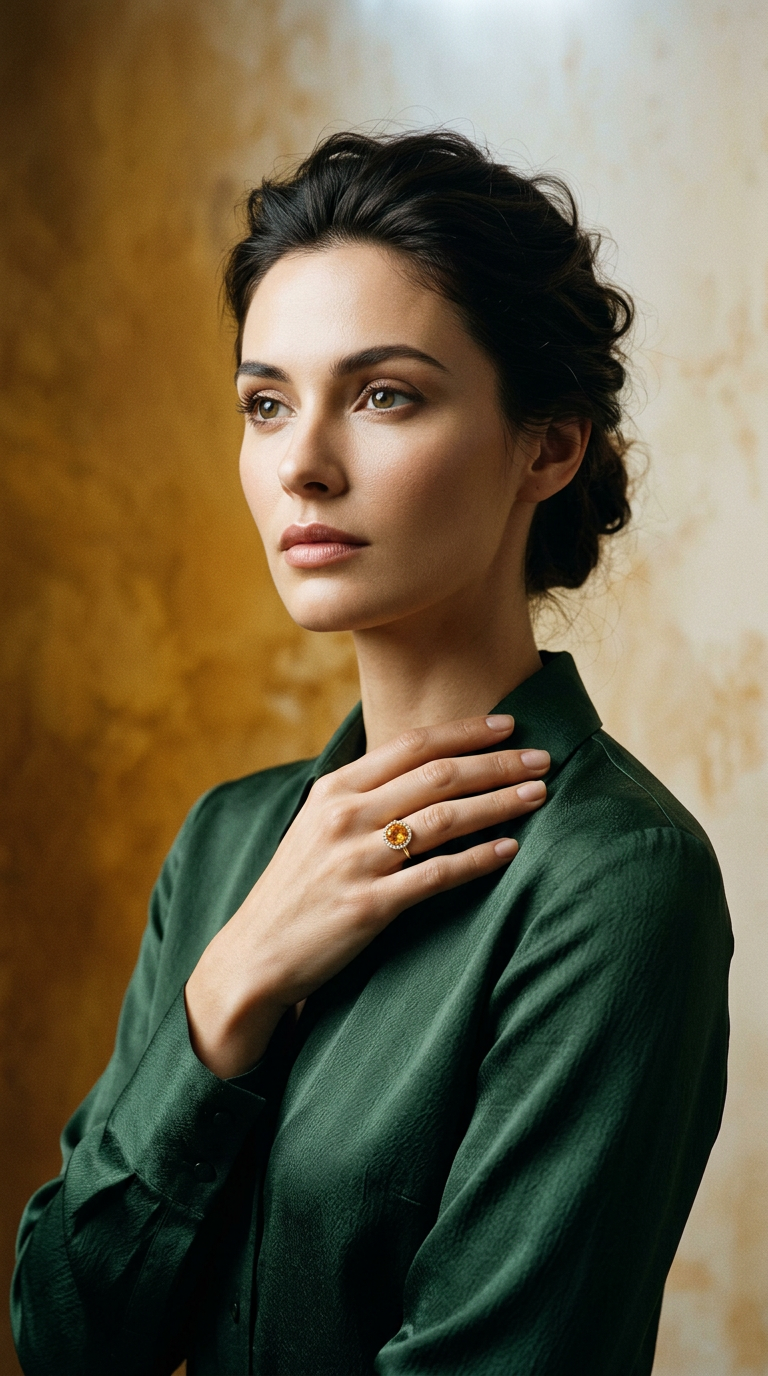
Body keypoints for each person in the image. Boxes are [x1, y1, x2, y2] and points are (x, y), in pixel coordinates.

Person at [12, 130, 732, 1376]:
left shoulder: (618, 882)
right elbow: (64, 1334)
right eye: (266, 401)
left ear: (546, 447)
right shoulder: (228, 844)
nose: (302, 462)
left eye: (385, 392)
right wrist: (230, 986)